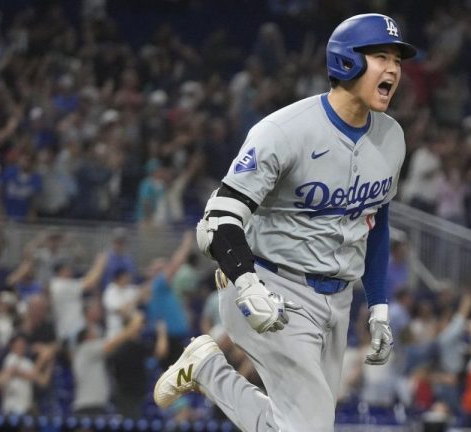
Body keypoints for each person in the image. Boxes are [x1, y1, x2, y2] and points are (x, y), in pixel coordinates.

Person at [153, 13, 416, 431]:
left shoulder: (392, 137)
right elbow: (220, 216)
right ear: (347, 60)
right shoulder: (284, 130)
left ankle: (205, 367)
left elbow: (376, 222)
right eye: (381, 57)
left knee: (296, 426)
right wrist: (246, 283)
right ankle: (208, 369)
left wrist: (378, 307)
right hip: (273, 284)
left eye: (397, 60)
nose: (394, 69)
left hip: (338, 299)